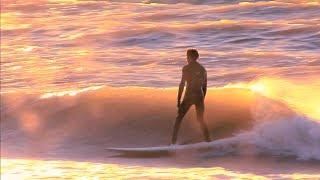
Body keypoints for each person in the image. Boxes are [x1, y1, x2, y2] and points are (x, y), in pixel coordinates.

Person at [171, 49, 211, 144]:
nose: (186, 58)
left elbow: (182, 84)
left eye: (187, 56)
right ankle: (208, 141)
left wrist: (178, 100)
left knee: (178, 119)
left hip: (189, 96)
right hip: (199, 96)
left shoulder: (186, 68)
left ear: (189, 57)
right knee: (200, 119)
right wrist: (202, 99)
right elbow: (205, 87)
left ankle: (173, 142)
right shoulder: (203, 69)